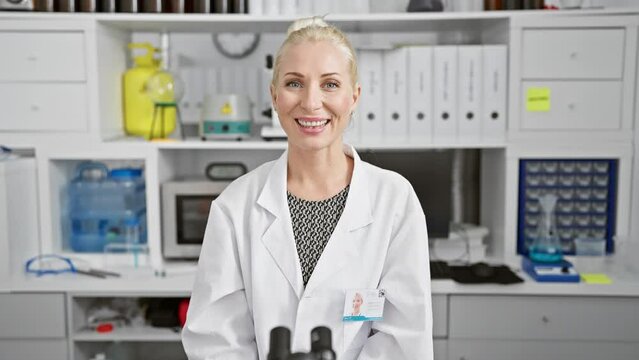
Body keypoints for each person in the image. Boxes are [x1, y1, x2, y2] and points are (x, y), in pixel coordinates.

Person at [182, 17, 433, 360]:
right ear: (274, 96)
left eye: (330, 84)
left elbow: (404, 339)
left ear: (354, 96)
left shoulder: (394, 200)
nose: (312, 102)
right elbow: (215, 341)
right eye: (294, 83)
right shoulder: (235, 206)